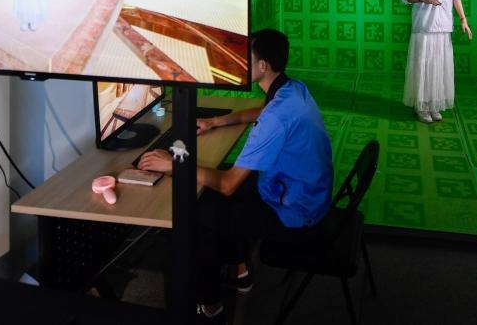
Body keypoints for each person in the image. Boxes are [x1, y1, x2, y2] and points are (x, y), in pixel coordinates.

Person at [138, 29, 334, 323]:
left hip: (294, 212)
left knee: (199, 213)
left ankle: (211, 304)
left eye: (246, 58)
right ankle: (240, 271)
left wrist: (174, 164)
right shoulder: (292, 90)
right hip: (306, 191)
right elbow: (262, 111)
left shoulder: (277, 118)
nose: (241, 62)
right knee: (212, 193)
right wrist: (216, 122)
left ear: (263, 66)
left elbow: (228, 184)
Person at [400, 0, 472, 123]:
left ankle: (434, 105)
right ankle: (421, 106)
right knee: (423, 66)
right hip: (424, 27)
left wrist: (463, 19)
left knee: (439, 67)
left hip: (443, 26)